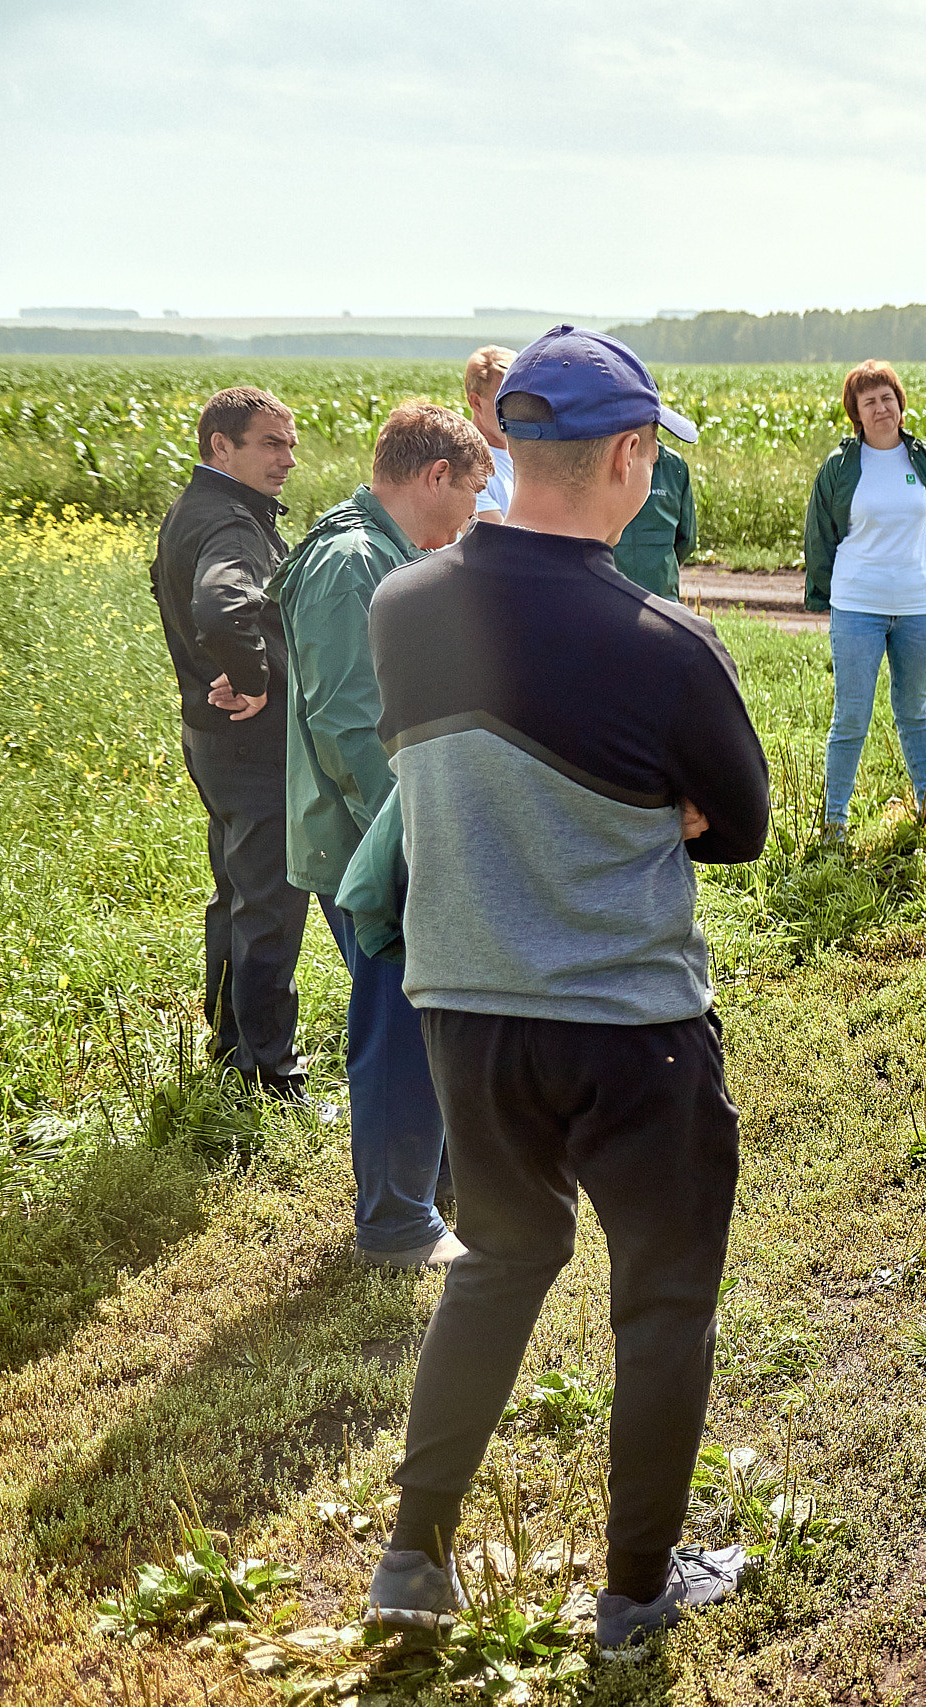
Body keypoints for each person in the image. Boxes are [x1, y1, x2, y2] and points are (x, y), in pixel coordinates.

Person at [358, 326, 771, 1647]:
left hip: (467, 1016)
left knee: (499, 1259)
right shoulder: (664, 640)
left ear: (508, 450)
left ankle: (412, 1558)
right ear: (631, 457)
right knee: (661, 1292)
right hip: (630, 1030)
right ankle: (636, 1589)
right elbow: (741, 825)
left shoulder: (404, 603)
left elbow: (444, 771)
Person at [268, 402, 489, 1267]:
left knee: (422, 1010)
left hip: (393, 825)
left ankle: (428, 1195)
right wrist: (415, 836)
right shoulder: (349, 561)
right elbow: (351, 724)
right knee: (398, 1020)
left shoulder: (389, 551)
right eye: (472, 490)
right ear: (435, 475)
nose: (475, 511)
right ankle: (396, 1221)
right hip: (373, 836)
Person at [148, 387, 312, 1096]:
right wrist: (255, 678)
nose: (288, 458)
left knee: (238, 897)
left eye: (291, 442)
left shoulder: (196, 508)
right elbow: (220, 608)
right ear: (222, 446)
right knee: (268, 905)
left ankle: (232, 1049)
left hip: (211, 738)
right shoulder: (233, 524)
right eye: (270, 443)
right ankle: (268, 1073)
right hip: (249, 745)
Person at [803, 360, 926, 833]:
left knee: (914, 710)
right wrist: (827, 594)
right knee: (850, 717)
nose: (881, 407)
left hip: (917, 605)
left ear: (900, 404)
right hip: (857, 605)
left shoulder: (925, 460)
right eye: (869, 401)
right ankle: (835, 820)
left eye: (887, 397)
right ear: (857, 414)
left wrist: (912, 568)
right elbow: (820, 536)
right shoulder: (840, 467)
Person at [614, 438, 699, 599]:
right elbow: (687, 539)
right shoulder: (675, 465)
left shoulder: (601, 461)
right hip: (661, 594)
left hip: (612, 592)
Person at [461, 346, 517, 525]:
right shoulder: (467, 466)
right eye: (504, 401)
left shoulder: (526, 455)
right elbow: (497, 543)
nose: (517, 410)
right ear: (476, 402)